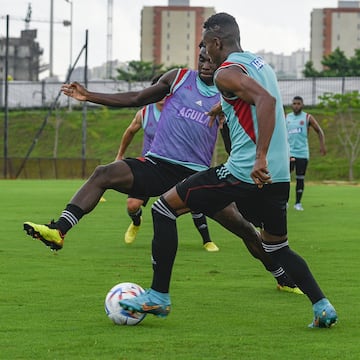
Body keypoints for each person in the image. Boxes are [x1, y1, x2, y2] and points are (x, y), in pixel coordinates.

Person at [119, 13, 337, 328]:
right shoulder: (260, 65)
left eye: (206, 45)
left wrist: (259, 155)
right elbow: (258, 96)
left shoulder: (224, 73)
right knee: (277, 246)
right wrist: (224, 105)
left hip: (245, 172)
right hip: (277, 178)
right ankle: (322, 306)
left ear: (217, 42)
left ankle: (158, 296)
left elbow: (265, 100)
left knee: (164, 208)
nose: (205, 53)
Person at [23, 46, 299, 294]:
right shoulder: (177, 78)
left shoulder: (226, 90)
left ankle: (280, 275)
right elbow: (137, 97)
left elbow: (235, 139)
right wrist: (89, 95)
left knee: (246, 230)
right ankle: (59, 230)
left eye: (209, 60)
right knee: (103, 173)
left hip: (196, 176)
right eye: (200, 58)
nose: (205, 63)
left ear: (219, 62)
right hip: (157, 165)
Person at [116, 75, 219, 251]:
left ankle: (207, 240)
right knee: (132, 205)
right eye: (159, 91)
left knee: (196, 201)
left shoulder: (179, 108)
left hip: (179, 165)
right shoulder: (144, 113)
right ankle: (136, 221)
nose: (163, 96)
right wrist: (120, 155)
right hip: (152, 166)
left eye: (166, 92)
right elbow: (130, 132)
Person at [286, 96, 327, 211]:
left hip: (302, 153)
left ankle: (298, 203)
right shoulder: (287, 117)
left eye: (298, 103)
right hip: (289, 153)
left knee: (300, 178)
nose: (296, 105)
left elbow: (319, 130)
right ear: (291, 104)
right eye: (294, 103)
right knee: (285, 178)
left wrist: (322, 146)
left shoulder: (307, 117)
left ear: (302, 105)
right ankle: (285, 201)